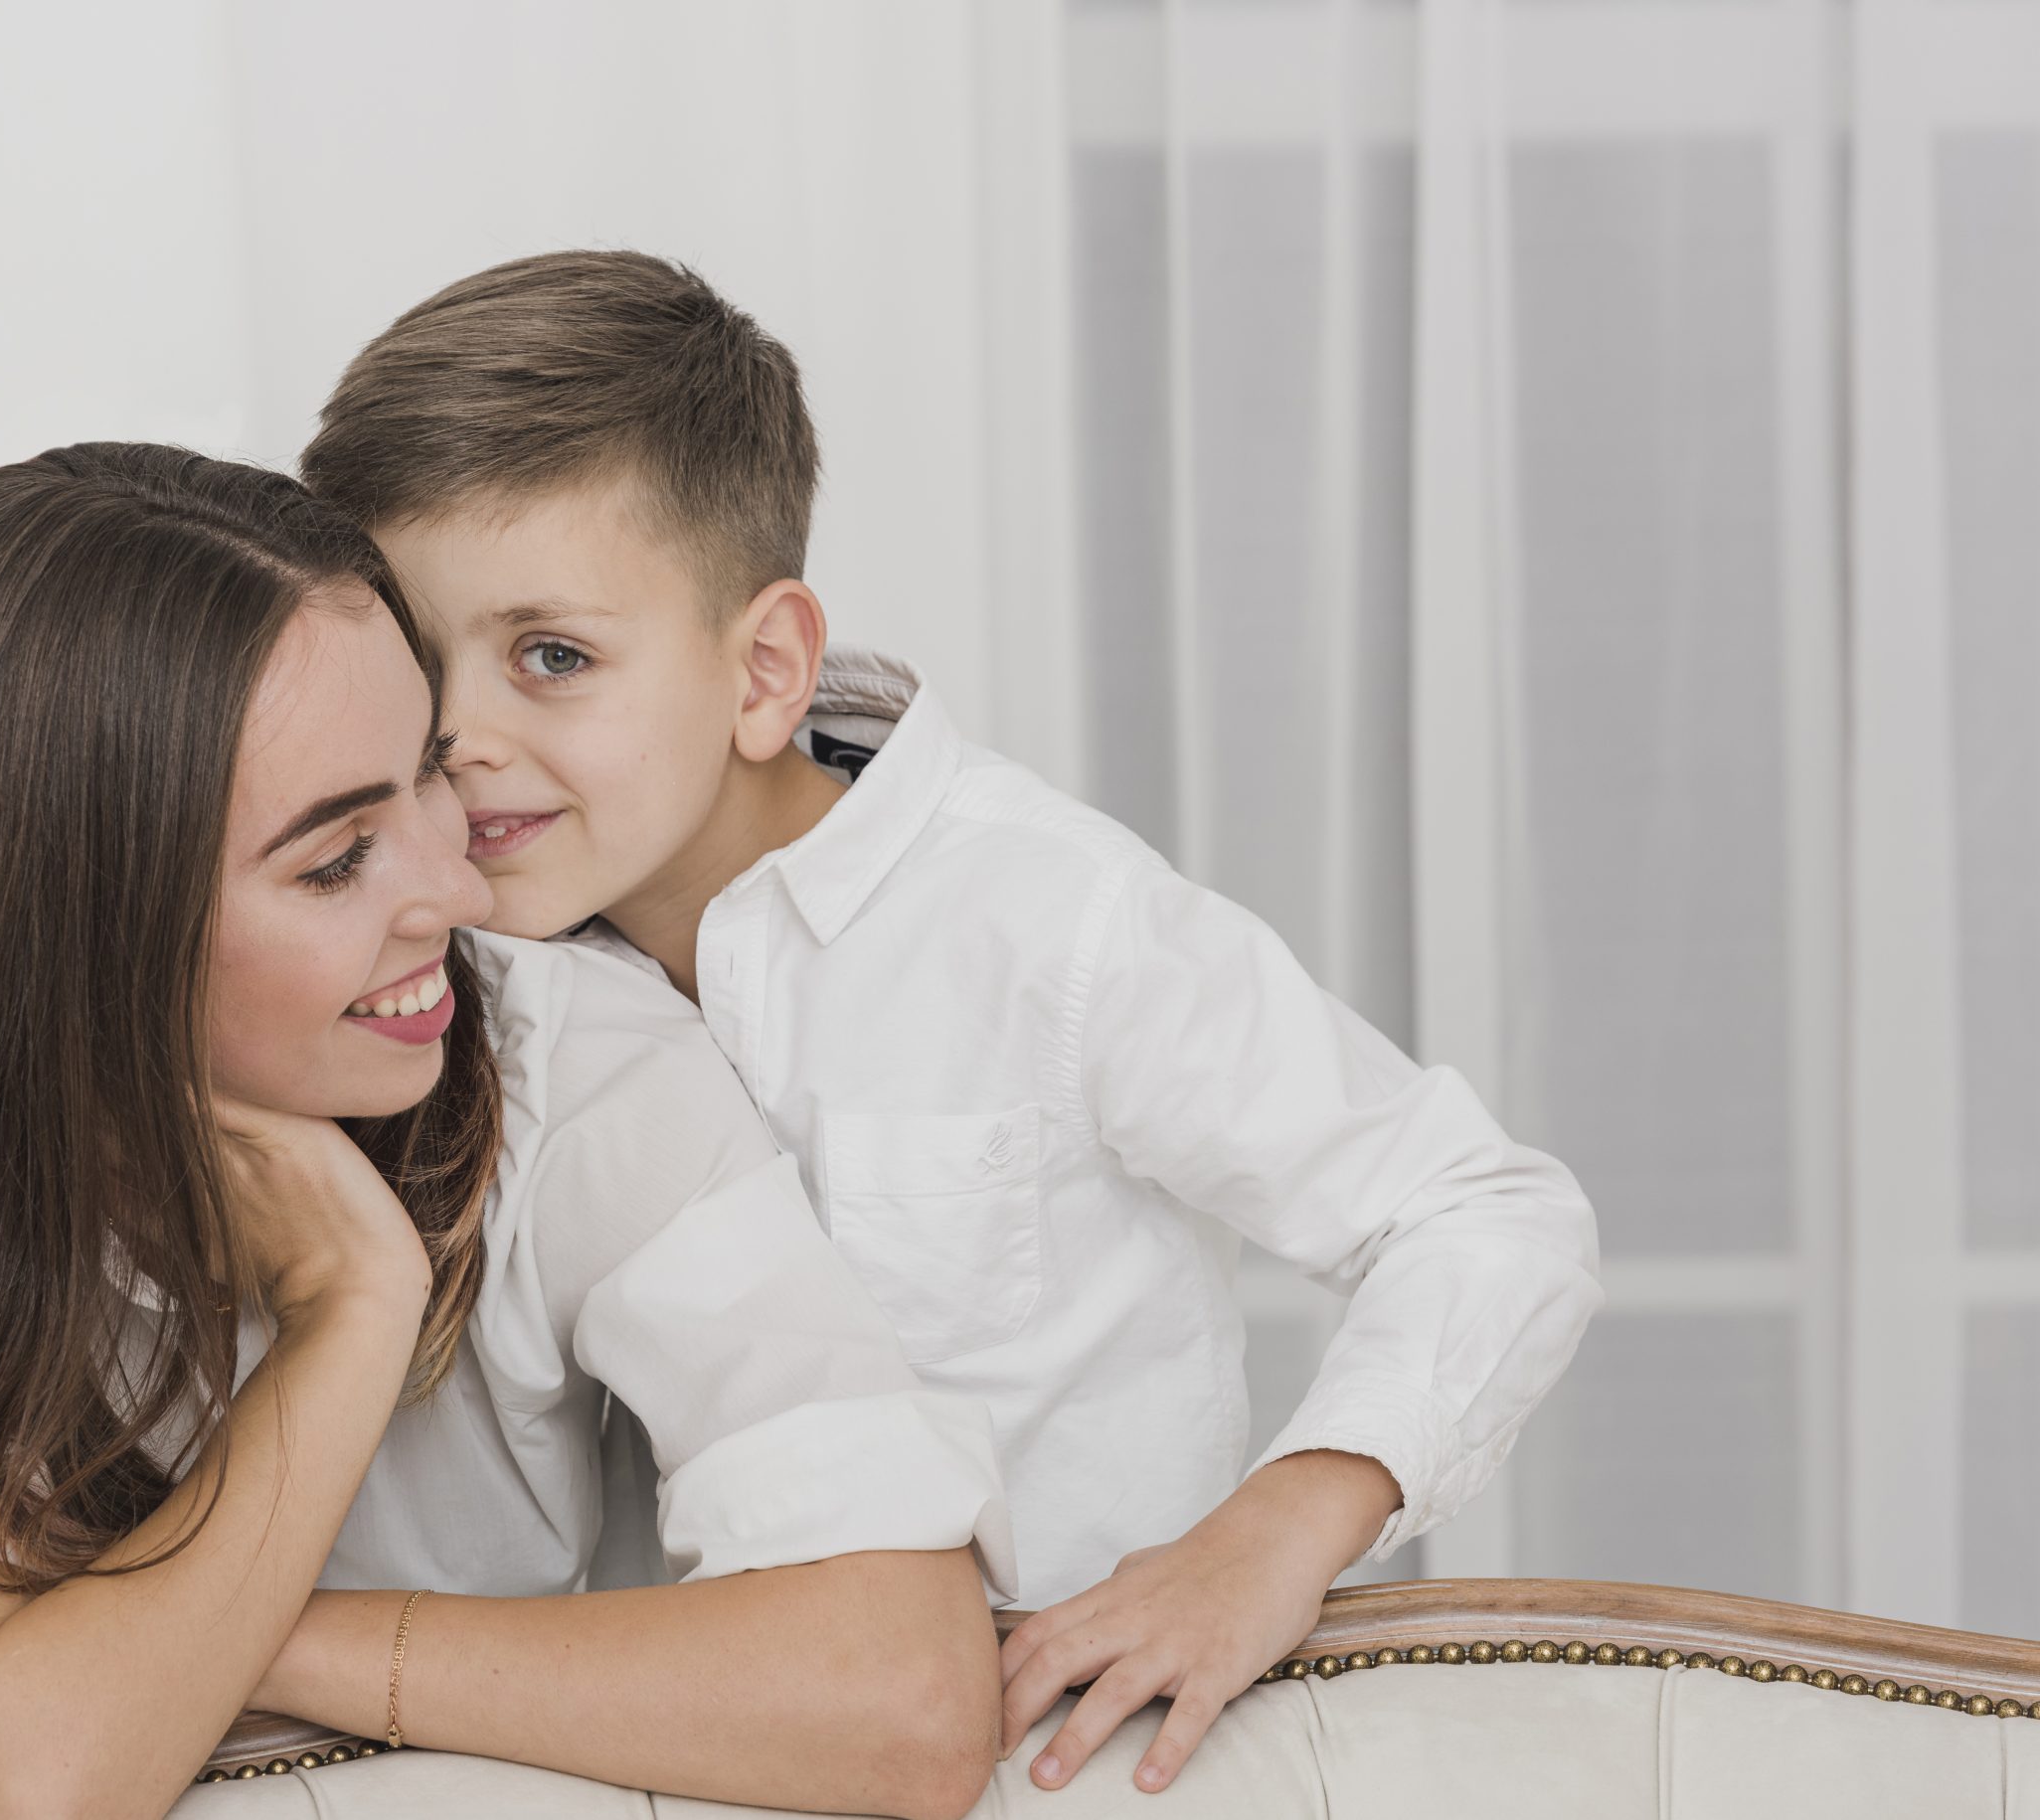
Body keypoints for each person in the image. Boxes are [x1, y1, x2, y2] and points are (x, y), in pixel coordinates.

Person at [301, 249, 1607, 1795]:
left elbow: (1486, 1211)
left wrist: (1271, 1536)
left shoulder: (1045, 922)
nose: (460, 737)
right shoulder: (448, 982)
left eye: (554, 657)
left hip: (1093, 1757)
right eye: (414, 660)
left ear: (766, 669)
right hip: (696, 1761)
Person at [0, 443, 1012, 1820]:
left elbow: (907, 1701)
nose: (458, 888)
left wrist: (207, 1650)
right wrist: (352, 1312)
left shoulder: (581, 1062)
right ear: (77, 940)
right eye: (333, 860)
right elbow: (25, 1786)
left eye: (430, 774)